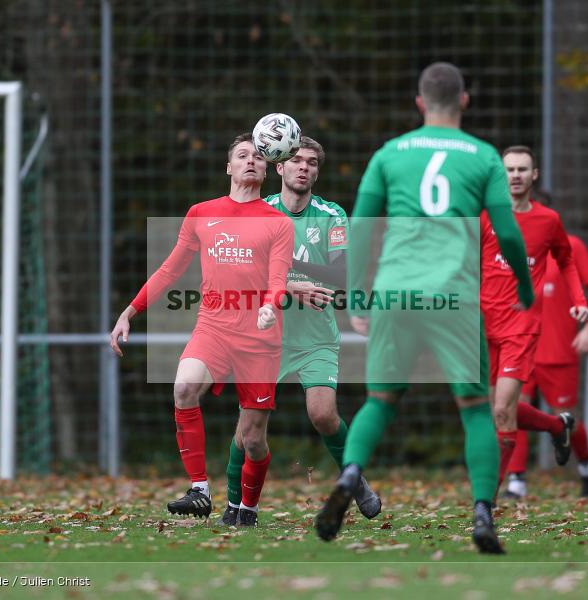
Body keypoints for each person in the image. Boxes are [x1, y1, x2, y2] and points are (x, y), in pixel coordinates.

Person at [314, 62, 535, 555]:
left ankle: (350, 476)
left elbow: (362, 227)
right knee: (476, 409)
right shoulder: (481, 156)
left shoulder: (391, 154)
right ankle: (482, 512)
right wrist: (524, 287)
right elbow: (510, 232)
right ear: (464, 101)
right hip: (453, 295)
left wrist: (358, 295)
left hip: (395, 291)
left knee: (379, 402)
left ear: (419, 103)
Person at [109, 133, 293, 527]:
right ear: (228, 167)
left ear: (267, 169)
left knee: (253, 441)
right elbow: (169, 269)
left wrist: (269, 304)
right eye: (242, 156)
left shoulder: (277, 222)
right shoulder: (202, 213)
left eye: (258, 157)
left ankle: (249, 508)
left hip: (259, 338)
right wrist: (130, 311)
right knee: (184, 387)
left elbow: (279, 277)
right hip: (213, 327)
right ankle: (200, 490)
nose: (250, 162)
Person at [218, 136, 382, 525]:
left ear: (316, 172)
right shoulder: (258, 211)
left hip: (315, 336)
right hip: (264, 334)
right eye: (296, 161)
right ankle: (231, 503)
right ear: (279, 167)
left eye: (311, 162)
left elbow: (342, 273)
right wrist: (287, 284)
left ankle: (354, 480)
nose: (303, 167)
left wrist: (286, 262)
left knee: (323, 414)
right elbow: (238, 274)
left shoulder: (331, 214)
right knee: (247, 432)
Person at [481, 146, 588, 498]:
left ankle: (489, 498)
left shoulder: (548, 221)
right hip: (486, 325)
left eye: (522, 169)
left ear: (534, 175)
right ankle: (557, 425)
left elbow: (567, 260)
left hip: (522, 324)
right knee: (498, 409)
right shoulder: (484, 217)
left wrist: (578, 302)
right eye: (509, 169)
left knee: (502, 409)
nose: (515, 175)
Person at [505, 206, 588, 499]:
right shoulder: (512, 249)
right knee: (512, 408)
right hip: (521, 348)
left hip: (559, 352)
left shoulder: (571, 247)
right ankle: (517, 481)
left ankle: (587, 469)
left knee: (568, 416)